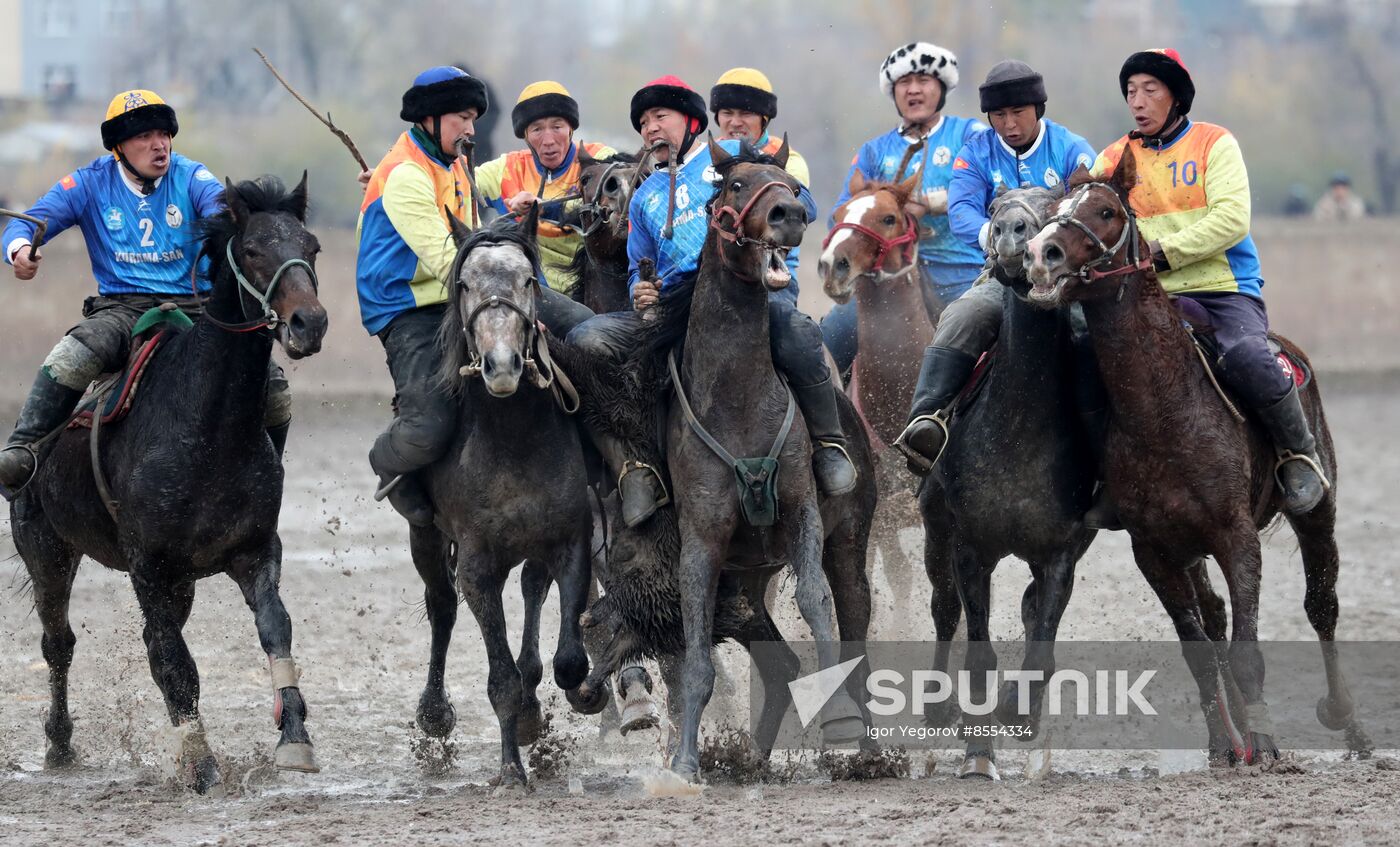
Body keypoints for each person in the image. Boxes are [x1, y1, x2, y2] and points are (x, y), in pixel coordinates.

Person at [566, 75, 853, 528]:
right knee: (585, 340)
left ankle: (829, 445)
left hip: (748, 292)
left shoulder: (732, 158)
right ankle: (636, 468)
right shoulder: (643, 198)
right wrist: (641, 292)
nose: (650, 129)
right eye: (643, 123)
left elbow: (803, 207)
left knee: (798, 332)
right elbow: (641, 267)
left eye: (660, 117)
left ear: (692, 122)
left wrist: (772, 201)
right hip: (677, 306)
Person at [0, 90, 292, 490]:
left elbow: (222, 207)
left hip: (199, 310)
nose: (159, 145)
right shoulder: (87, 183)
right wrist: (19, 251)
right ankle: (23, 450)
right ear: (119, 146)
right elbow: (26, 224)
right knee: (73, 354)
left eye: (164, 134)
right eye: (144, 136)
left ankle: (267, 474)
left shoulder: (192, 176)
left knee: (272, 383)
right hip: (123, 309)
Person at [1090, 49, 1327, 514]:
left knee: (1247, 356)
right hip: (1145, 298)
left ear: (1176, 96)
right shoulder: (1113, 157)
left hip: (1223, 290)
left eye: (1150, 90)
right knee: (1085, 359)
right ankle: (1107, 477)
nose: (1137, 101)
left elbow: (1232, 220)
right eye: (1130, 91)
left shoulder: (1215, 143)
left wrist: (1160, 253)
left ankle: (1299, 455)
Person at [356, 66, 593, 525]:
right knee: (430, 427)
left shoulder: (456, 164)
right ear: (429, 119)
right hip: (409, 309)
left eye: (472, 118)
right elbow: (451, 262)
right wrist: (513, 313)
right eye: (461, 118)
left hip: (466, 291)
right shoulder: (406, 175)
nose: (470, 129)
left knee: (586, 327)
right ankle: (387, 459)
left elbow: (473, 240)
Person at [897, 61, 1097, 478]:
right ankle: (926, 421)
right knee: (962, 315)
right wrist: (998, 236)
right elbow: (962, 210)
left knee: (1093, 338)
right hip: (1003, 279)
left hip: (1066, 282)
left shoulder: (1072, 148)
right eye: (999, 115)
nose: (1009, 124)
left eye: (1018, 112)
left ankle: (1108, 450)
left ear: (1038, 108)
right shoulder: (976, 152)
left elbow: (1090, 209)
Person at [820, 41, 988, 374]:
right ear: (893, 92)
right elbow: (837, 215)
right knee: (830, 337)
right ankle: (827, 421)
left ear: (941, 88)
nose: (913, 90)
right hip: (886, 278)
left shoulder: (971, 135)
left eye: (923, 81)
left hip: (960, 272)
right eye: (904, 83)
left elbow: (993, 189)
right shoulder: (873, 151)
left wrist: (933, 203)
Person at [474, 81, 617, 293]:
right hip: (532, 293)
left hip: (594, 290)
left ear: (571, 129)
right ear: (525, 136)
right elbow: (456, 182)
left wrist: (544, 209)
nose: (548, 140)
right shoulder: (505, 169)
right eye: (537, 129)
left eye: (557, 127)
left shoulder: (600, 160)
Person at [709, 67, 811, 187]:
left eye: (746, 114)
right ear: (717, 117)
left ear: (764, 119)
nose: (735, 122)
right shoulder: (704, 155)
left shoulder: (790, 162)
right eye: (727, 113)